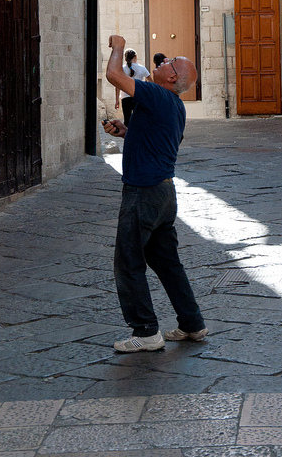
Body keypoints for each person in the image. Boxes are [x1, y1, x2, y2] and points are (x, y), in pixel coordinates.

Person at [103, 35, 208, 353]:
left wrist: (118, 47)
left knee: (128, 261)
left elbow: (114, 76)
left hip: (143, 193)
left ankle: (146, 331)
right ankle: (192, 323)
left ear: (173, 77)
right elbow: (158, 142)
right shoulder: (174, 106)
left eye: (169, 62)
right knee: (166, 261)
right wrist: (126, 131)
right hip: (163, 193)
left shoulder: (156, 94)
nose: (162, 62)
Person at [115, 49, 151, 127]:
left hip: (125, 96)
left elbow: (117, 85)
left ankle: (127, 136)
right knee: (139, 118)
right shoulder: (142, 68)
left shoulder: (121, 69)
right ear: (135, 57)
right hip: (139, 96)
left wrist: (117, 99)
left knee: (127, 120)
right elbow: (151, 82)